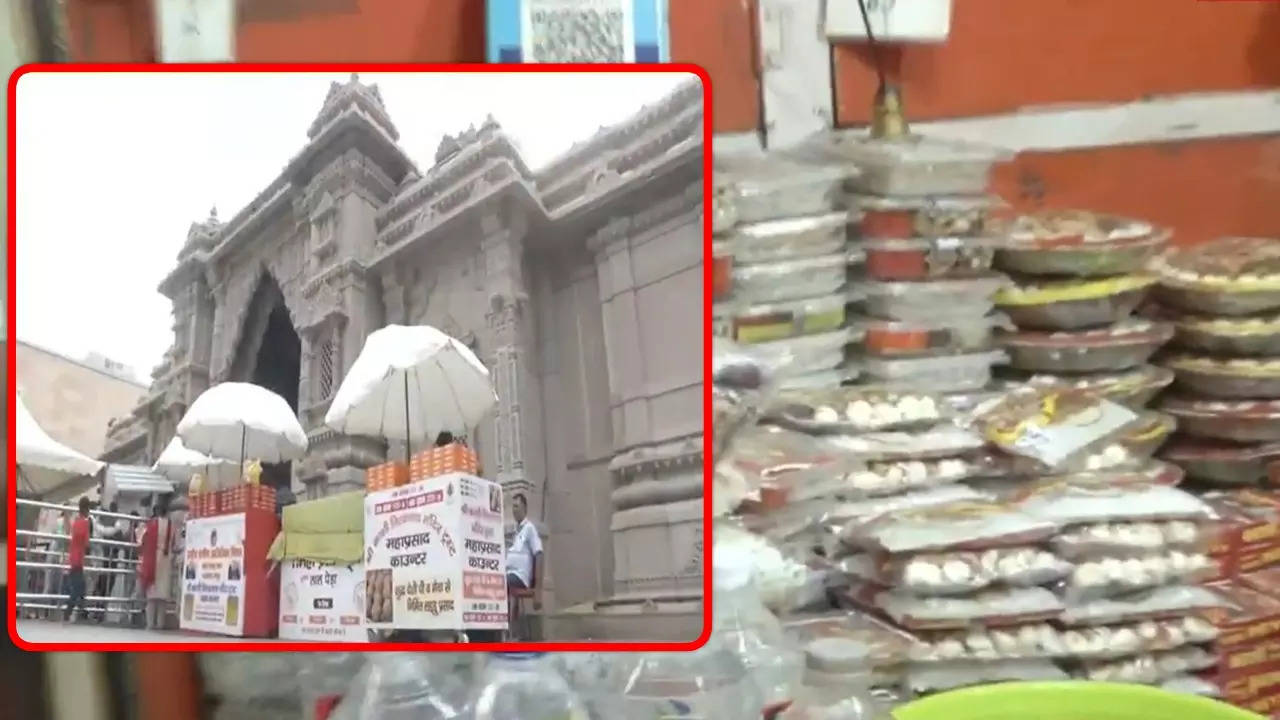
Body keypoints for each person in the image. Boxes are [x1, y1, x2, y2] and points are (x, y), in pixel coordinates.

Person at [139, 500, 175, 630]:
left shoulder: (153, 524)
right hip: (167, 559)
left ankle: (150, 624)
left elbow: (143, 539)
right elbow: (174, 543)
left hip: (153, 559)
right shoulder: (172, 525)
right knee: (162, 597)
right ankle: (160, 624)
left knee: (151, 596)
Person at [62, 497, 93, 622]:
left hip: (73, 556)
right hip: (79, 558)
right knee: (79, 587)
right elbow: (87, 543)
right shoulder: (85, 523)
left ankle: (81, 612)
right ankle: (70, 611)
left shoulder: (76, 521)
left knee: (80, 585)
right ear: (86, 509)